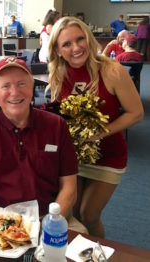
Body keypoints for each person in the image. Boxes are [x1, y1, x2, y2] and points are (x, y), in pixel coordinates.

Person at [47, 16, 144, 237]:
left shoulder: (112, 70)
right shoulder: (58, 74)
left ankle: (99, 254)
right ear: (58, 50)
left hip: (109, 156)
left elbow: (136, 113)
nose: (76, 47)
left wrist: (100, 133)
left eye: (80, 39)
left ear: (89, 39)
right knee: (73, 215)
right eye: (67, 44)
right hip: (75, 157)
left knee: (89, 214)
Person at [0, 57, 87, 233]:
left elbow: (69, 187)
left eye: (22, 83)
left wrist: (49, 224)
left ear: (32, 89)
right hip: (0, 220)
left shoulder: (57, 126)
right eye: (5, 86)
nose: (15, 92)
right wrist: (7, 228)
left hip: (50, 219)